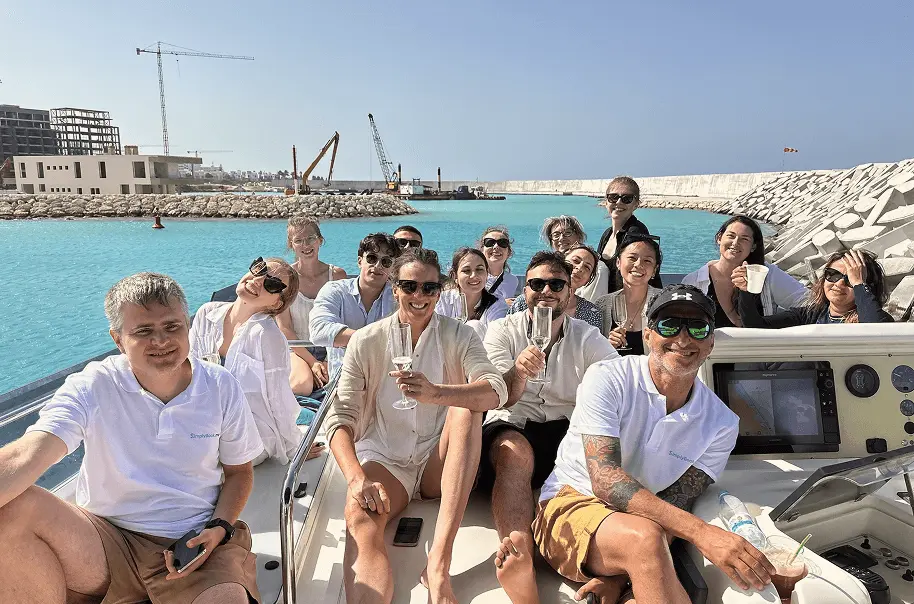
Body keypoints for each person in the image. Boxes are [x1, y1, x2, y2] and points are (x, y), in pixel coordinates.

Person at [0, 273, 265, 604]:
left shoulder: (221, 386)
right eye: (143, 331)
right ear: (118, 339)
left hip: (195, 542)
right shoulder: (93, 385)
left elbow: (239, 473)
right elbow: (29, 453)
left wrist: (219, 527)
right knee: (14, 507)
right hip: (106, 541)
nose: (161, 340)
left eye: (172, 326)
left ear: (187, 325)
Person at [523, 284, 774, 604]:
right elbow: (606, 480)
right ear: (647, 335)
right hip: (570, 503)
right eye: (669, 325)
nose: (683, 338)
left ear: (711, 342)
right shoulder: (608, 378)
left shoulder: (722, 424)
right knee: (645, 538)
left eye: (697, 327)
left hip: (644, 528)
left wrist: (620, 576)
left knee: (646, 542)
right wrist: (704, 533)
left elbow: (676, 502)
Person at [325, 248, 508, 604]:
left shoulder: (460, 335)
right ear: (395, 289)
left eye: (429, 287)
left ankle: (439, 563)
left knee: (464, 410)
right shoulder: (366, 340)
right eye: (409, 286)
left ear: (440, 291)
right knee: (360, 520)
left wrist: (437, 393)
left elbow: (495, 390)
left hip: (439, 463)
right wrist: (356, 478)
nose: (419, 295)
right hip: (386, 461)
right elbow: (340, 416)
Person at [483, 251, 617, 603]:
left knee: (597, 460)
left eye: (556, 284)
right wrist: (518, 372)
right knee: (514, 454)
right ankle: (519, 553)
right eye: (536, 283)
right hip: (514, 420)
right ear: (524, 290)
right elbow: (500, 399)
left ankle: (596, 558)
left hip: (566, 427)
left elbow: (616, 381)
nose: (546, 291)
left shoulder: (587, 337)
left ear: (570, 291)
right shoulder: (502, 331)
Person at [190, 257, 307, 465]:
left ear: (277, 303)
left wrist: (295, 448)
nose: (258, 280)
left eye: (271, 284)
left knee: (200, 459)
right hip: (204, 420)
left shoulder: (268, 336)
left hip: (251, 430)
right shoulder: (206, 314)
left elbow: (278, 399)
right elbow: (189, 374)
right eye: (259, 269)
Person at [682, 215, 807, 327]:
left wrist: (775, 325)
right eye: (731, 236)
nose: (735, 243)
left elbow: (807, 301)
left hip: (759, 345)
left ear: (753, 246)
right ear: (719, 238)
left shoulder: (767, 274)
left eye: (744, 239)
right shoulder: (694, 281)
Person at [310, 233, 401, 378]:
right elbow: (319, 331)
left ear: (392, 268)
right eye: (372, 258)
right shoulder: (335, 291)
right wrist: (373, 340)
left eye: (386, 262)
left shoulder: (399, 297)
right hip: (343, 379)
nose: (378, 265)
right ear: (360, 261)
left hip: (385, 379)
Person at [276, 216, 347, 396]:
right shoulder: (285, 278)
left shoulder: (337, 276)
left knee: (341, 385)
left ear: (320, 240)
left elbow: (344, 321)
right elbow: (285, 328)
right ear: (291, 245)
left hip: (332, 347)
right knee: (302, 384)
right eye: (299, 240)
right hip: (297, 349)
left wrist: (328, 360)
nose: (306, 245)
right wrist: (313, 362)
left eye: (310, 238)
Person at [739, 249, 893, 326]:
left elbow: (877, 333)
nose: (839, 283)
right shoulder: (811, 315)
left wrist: (859, 284)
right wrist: (746, 291)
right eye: (833, 275)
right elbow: (756, 325)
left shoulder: (878, 319)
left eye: (850, 280)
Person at [583, 176, 662, 299]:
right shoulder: (607, 234)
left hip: (630, 302)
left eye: (627, 199)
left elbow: (638, 276)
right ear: (606, 201)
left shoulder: (636, 233)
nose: (619, 202)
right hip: (610, 301)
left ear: (636, 204)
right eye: (613, 197)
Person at [595, 234, 663, 356]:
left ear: (654, 270)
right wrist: (606, 346)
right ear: (618, 262)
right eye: (632, 258)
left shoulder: (663, 303)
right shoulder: (602, 305)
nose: (638, 264)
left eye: (647, 261)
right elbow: (591, 354)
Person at [508, 246, 603, 329]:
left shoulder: (592, 313)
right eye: (575, 261)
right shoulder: (523, 302)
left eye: (587, 267)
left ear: (588, 280)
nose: (580, 268)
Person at [436, 247, 509, 339]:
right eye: (466, 270)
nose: (474, 275)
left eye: (479, 269)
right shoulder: (442, 300)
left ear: (486, 273)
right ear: (455, 276)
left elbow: (496, 339)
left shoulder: (497, 304)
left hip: (483, 348)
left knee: (475, 326)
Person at [478, 225, 520, 301]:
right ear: (481, 250)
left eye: (502, 243)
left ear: (509, 253)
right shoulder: (475, 277)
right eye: (489, 242)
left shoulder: (512, 281)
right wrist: (503, 303)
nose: (496, 246)